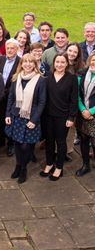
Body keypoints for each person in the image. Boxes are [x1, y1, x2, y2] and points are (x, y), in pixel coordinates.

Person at [5, 54, 46, 184]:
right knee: (17, 143)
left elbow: (42, 102)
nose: (27, 64)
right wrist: (7, 114)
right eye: (25, 62)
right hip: (16, 115)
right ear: (21, 64)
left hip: (31, 117)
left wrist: (34, 120)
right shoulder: (16, 78)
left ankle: (23, 168)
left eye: (30, 62)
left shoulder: (40, 80)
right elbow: (11, 98)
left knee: (26, 146)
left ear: (35, 64)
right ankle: (18, 165)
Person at [40, 53, 77, 181]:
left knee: (60, 142)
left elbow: (73, 100)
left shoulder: (71, 78)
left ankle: (59, 167)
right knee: (49, 141)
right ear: (53, 63)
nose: (59, 65)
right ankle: (49, 163)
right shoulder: (47, 77)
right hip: (48, 116)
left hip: (63, 117)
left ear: (67, 63)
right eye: (57, 62)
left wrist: (71, 117)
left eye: (62, 62)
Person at [0, 39, 21, 156]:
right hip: (0, 96)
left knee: (10, 120)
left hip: (12, 96)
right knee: (0, 120)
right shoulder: (0, 59)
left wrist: (5, 92)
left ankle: (11, 144)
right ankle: (1, 140)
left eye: (12, 48)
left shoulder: (20, 62)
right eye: (8, 48)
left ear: (17, 49)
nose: (10, 50)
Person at [75, 52, 95, 177]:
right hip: (82, 113)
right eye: (93, 60)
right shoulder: (82, 74)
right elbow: (77, 95)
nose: (94, 63)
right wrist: (83, 110)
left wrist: (91, 111)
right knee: (83, 139)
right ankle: (85, 165)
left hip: (93, 113)